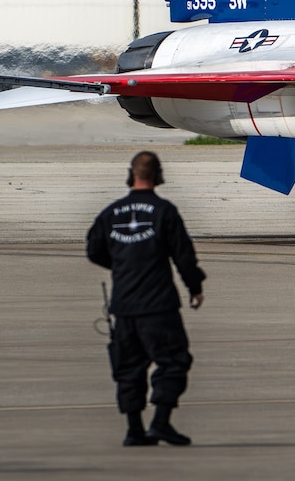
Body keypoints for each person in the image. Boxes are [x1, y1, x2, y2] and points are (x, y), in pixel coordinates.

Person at [87, 151, 206, 447]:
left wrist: (122, 264)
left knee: (128, 367)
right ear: (158, 176)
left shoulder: (110, 213)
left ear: (132, 174)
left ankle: (134, 429)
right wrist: (194, 287)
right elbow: (183, 256)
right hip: (158, 306)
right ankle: (161, 422)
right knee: (174, 361)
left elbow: (93, 250)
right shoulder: (164, 211)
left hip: (124, 306)